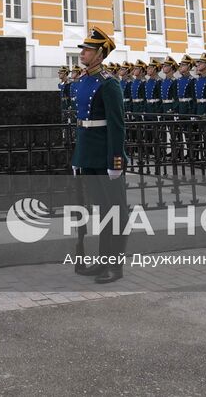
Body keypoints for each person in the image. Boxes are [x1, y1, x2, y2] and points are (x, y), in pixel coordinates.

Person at [69, 28, 127, 284]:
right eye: (83, 49)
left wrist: (116, 161)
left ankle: (115, 267)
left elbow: (117, 125)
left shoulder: (108, 83)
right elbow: (82, 122)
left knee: (115, 212)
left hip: (105, 157)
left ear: (100, 54)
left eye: (87, 50)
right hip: (89, 155)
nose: (82, 53)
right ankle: (102, 262)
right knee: (102, 212)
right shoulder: (84, 80)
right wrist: (77, 159)